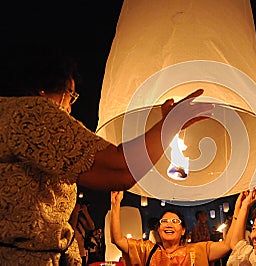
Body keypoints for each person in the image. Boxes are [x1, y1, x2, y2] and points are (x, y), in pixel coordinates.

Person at [0, 45, 213, 265]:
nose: (69, 110)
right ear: (45, 89)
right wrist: (170, 125)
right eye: (70, 96)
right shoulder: (32, 114)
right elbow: (120, 168)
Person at [110, 191, 233, 265]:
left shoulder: (196, 251)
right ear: (159, 229)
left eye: (175, 221)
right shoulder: (147, 250)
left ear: (183, 230)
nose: (169, 224)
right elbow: (118, 240)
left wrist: (241, 208)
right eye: (164, 221)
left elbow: (227, 245)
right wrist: (115, 204)